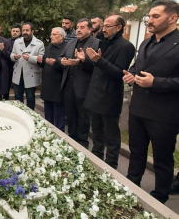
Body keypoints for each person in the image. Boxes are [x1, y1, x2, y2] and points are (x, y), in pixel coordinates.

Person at [123, 0, 179, 203]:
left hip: (164, 114)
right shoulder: (146, 42)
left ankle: (159, 197)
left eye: (156, 16)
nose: (150, 20)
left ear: (173, 18)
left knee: (162, 159)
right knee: (136, 152)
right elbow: (137, 66)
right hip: (138, 109)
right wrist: (130, 74)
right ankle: (131, 186)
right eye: (149, 16)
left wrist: (156, 82)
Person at [84, 15, 135, 169]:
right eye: (103, 26)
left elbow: (120, 73)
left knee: (111, 134)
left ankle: (111, 164)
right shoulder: (102, 42)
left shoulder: (126, 46)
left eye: (107, 26)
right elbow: (96, 67)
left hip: (109, 96)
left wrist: (99, 60)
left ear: (118, 28)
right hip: (95, 94)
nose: (103, 29)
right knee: (96, 132)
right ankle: (96, 159)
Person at [60, 19, 99, 149]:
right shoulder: (71, 42)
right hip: (68, 86)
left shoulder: (96, 43)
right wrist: (63, 61)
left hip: (84, 87)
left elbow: (98, 65)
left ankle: (83, 145)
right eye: (77, 27)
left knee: (83, 117)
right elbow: (61, 56)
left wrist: (83, 61)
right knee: (70, 115)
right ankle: (72, 141)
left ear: (89, 29)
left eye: (82, 27)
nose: (78, 30)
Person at [37, 27, 67, 131]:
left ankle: (59, 132)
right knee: (48, 111)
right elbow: (44, 64)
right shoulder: (48, 48)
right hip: (47, 84)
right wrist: (41, 61)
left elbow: (67, 65)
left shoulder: (66, 47)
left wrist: (56, 63)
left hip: (59, 84)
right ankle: (48, 130)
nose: (51, 36)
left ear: (61, 36)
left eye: (54, 34)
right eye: (51, 34)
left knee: (59, 112)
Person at [10, 22, 45, 110]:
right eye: (23, 30)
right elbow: (11, 55)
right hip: (18, 74)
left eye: (27, 30)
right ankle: (19, 115)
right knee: (18, 97)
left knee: (30, 98)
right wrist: (14, 56)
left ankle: (30, 116)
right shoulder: (17, 42)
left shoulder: (39, 44)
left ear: (32, 31)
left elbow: (41, 59)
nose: (25, 32)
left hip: (31, 74)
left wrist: (30, 58)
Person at [3, 24, 21, 100]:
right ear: (11, 32)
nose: (15, 33)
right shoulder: (6, 41)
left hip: (18, 68)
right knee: (6, 89)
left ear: (20, 33)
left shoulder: (22, 42)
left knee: (18, 90)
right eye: (13, 31)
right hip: (8, 68)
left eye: (17, 31)